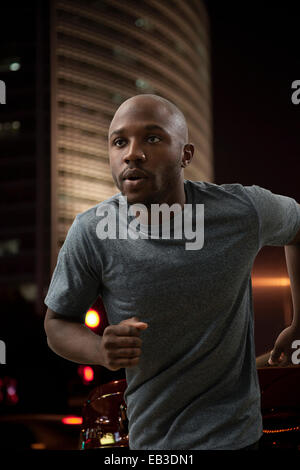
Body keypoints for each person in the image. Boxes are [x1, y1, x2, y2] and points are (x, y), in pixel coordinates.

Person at [44, 94, 300, 450]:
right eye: (119, 141)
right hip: (152, 447)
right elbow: (56, 325)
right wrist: (100, 349)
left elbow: (298, 227)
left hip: (239, 441)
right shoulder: (91, 232)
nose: (132, 153)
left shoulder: (242, 210)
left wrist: (299, 320)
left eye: (152, 138)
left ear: (186, 155)